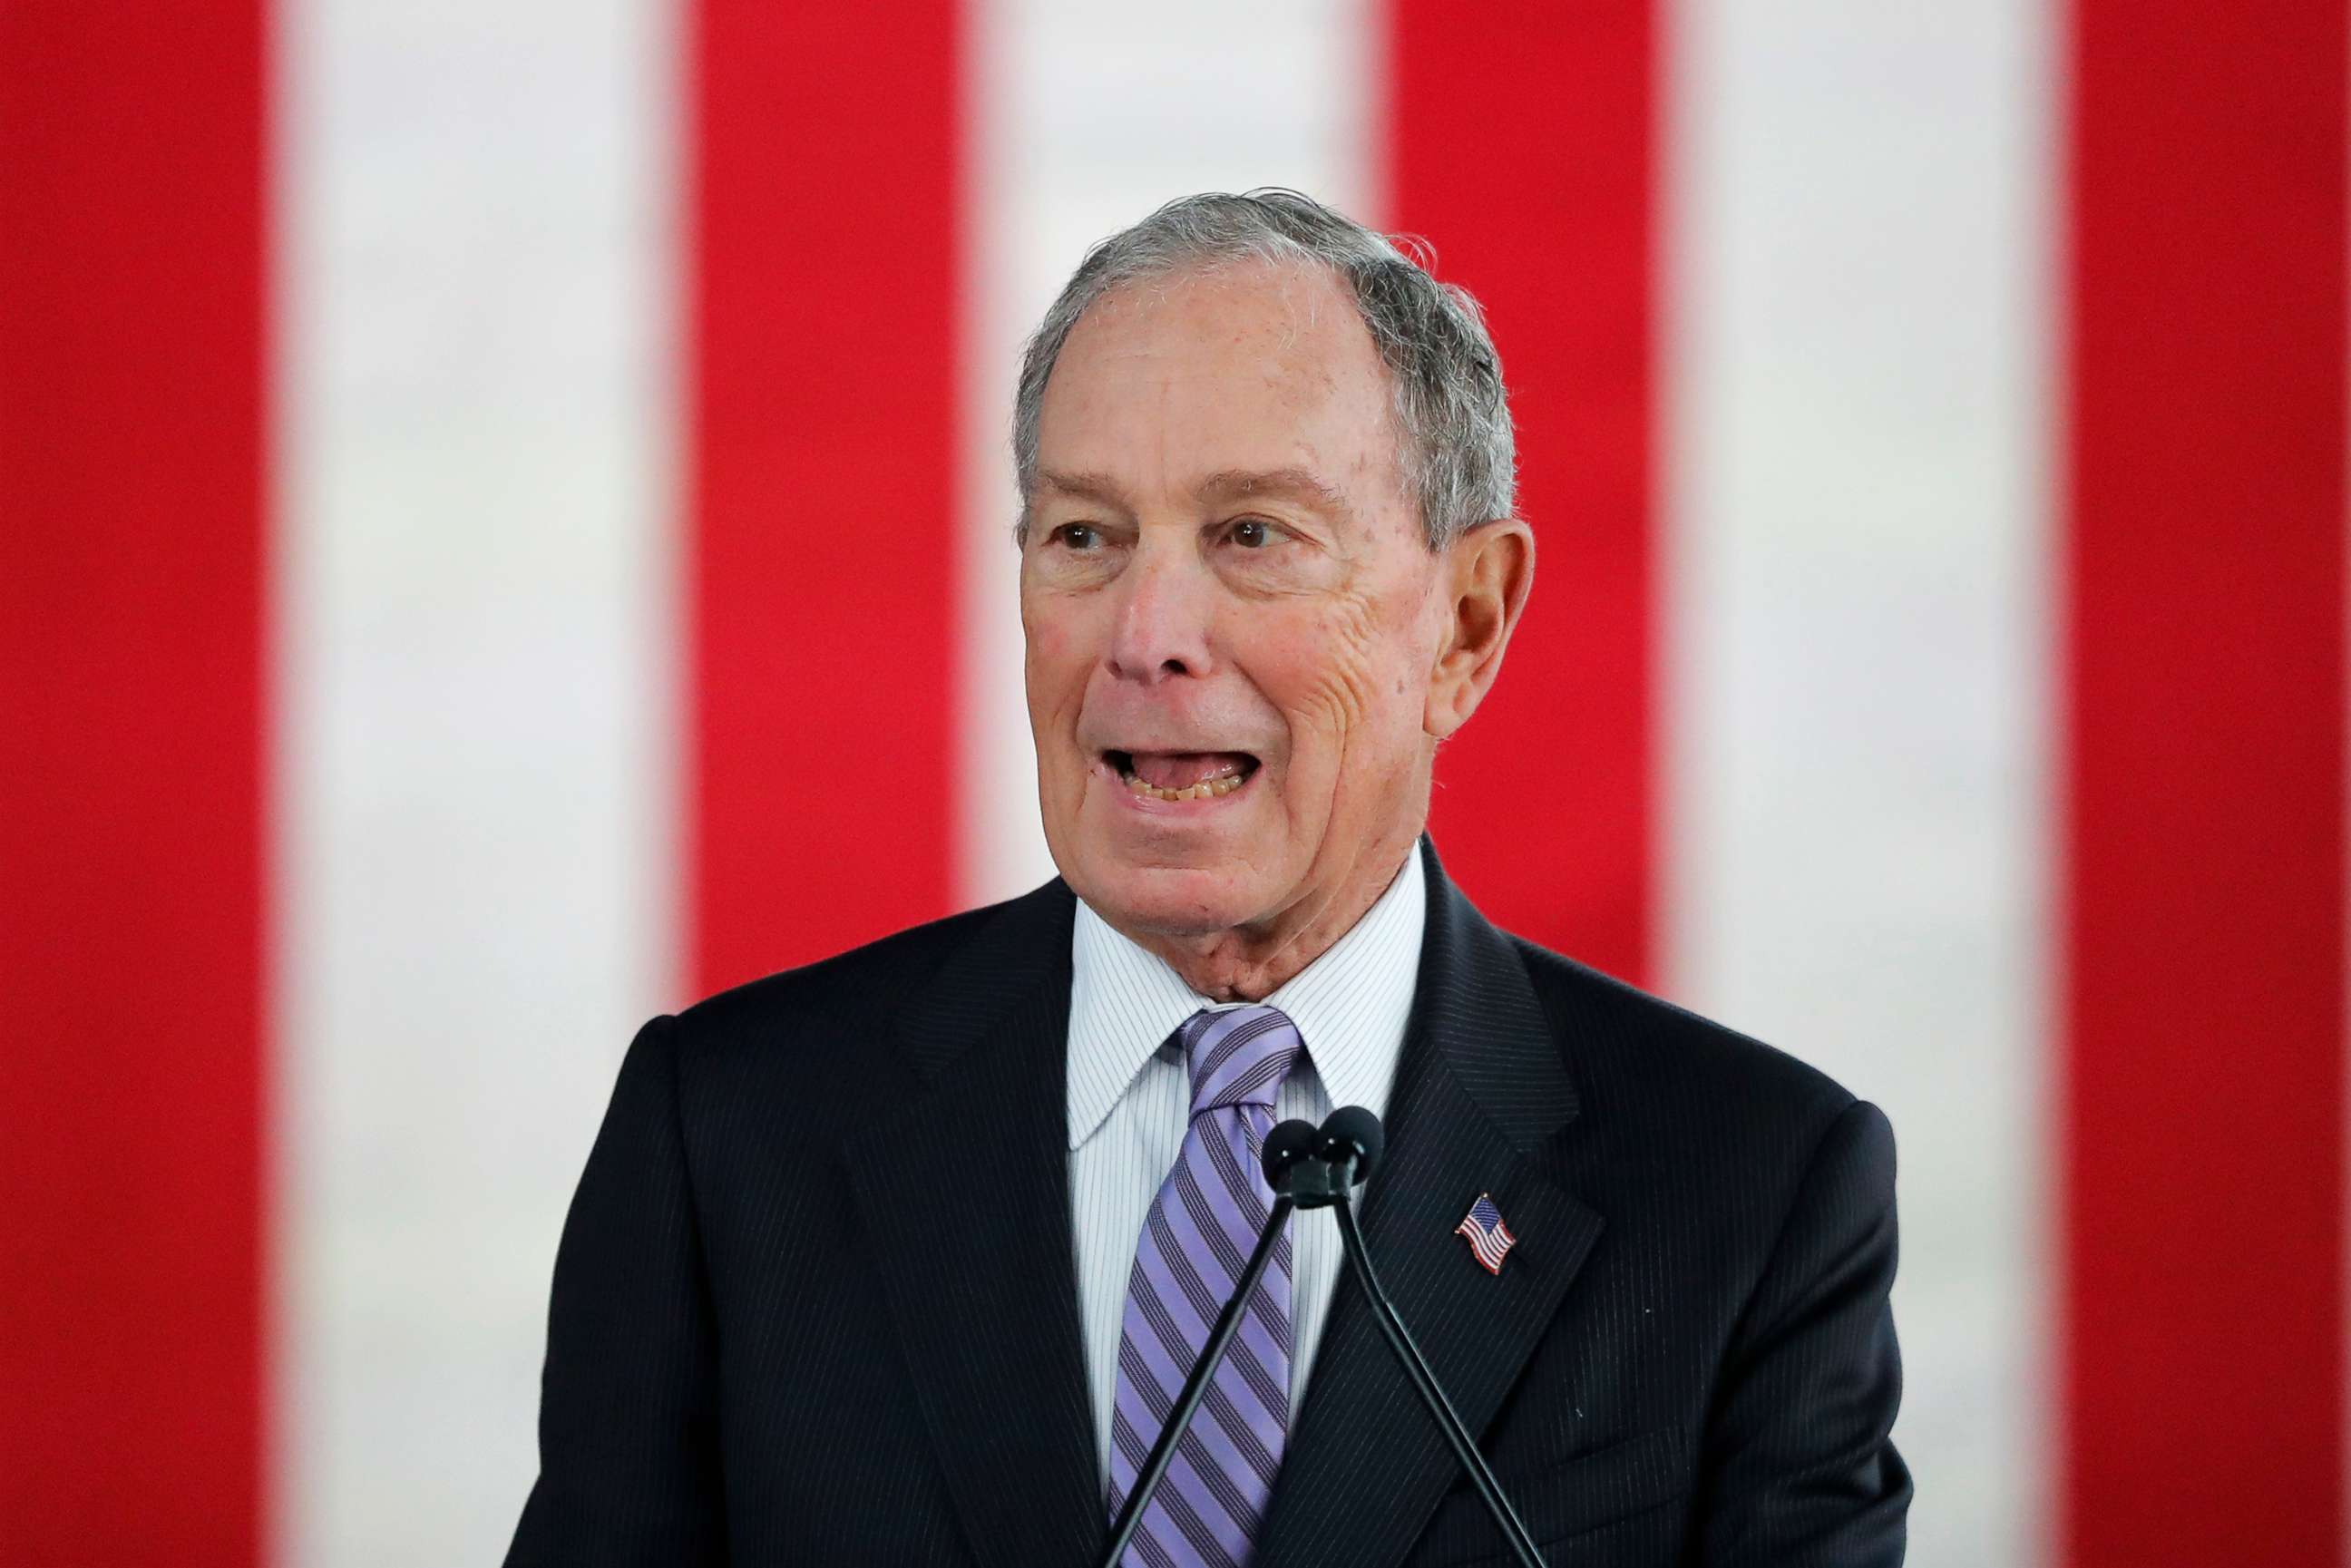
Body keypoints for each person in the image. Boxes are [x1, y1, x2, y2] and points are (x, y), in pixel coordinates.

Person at [504, 190, 1908, 1568]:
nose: (1147, 635)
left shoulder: (1751, 1196)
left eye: (1253, 534)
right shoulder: (732, 1141)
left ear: (1467, 624)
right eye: (1084, 537)